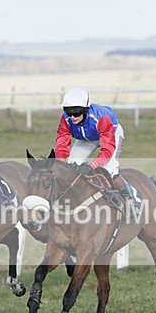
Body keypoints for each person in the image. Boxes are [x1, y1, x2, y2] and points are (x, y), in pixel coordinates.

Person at [54, 87, 141, 216]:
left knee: (109, 169)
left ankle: (132, 197)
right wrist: (60, 165)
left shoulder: (102, 118)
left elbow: (107, 151)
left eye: (77, 112)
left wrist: (91, 166)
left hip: (110, 134)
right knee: (71, 166)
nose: (72, 116)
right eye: (68, 111)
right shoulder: (66, 119)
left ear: (86, 109)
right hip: (88, 137)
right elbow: (62, 142)